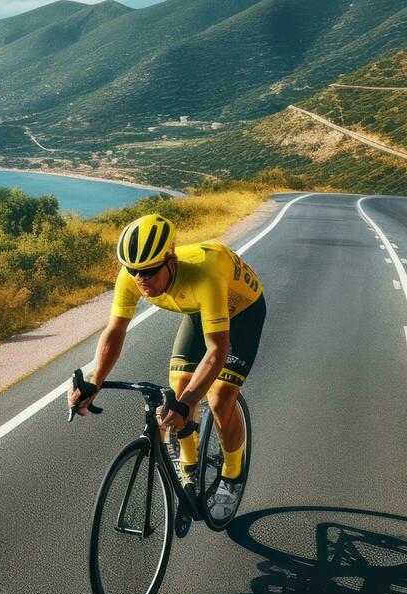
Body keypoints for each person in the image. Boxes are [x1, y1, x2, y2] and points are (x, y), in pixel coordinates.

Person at [69, 212, 266, 521]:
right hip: (199, 309)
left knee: (218, 399)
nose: (141, 279)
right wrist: (94, 382)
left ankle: (232, 473)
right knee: (176, 391)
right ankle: (189, 471)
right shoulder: (131, 277)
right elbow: (115, 331)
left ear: (170, 259)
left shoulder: (205, 274)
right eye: (134, 270)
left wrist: (189, 403)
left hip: (242, 311)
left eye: (149, 270)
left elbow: (217, 349)